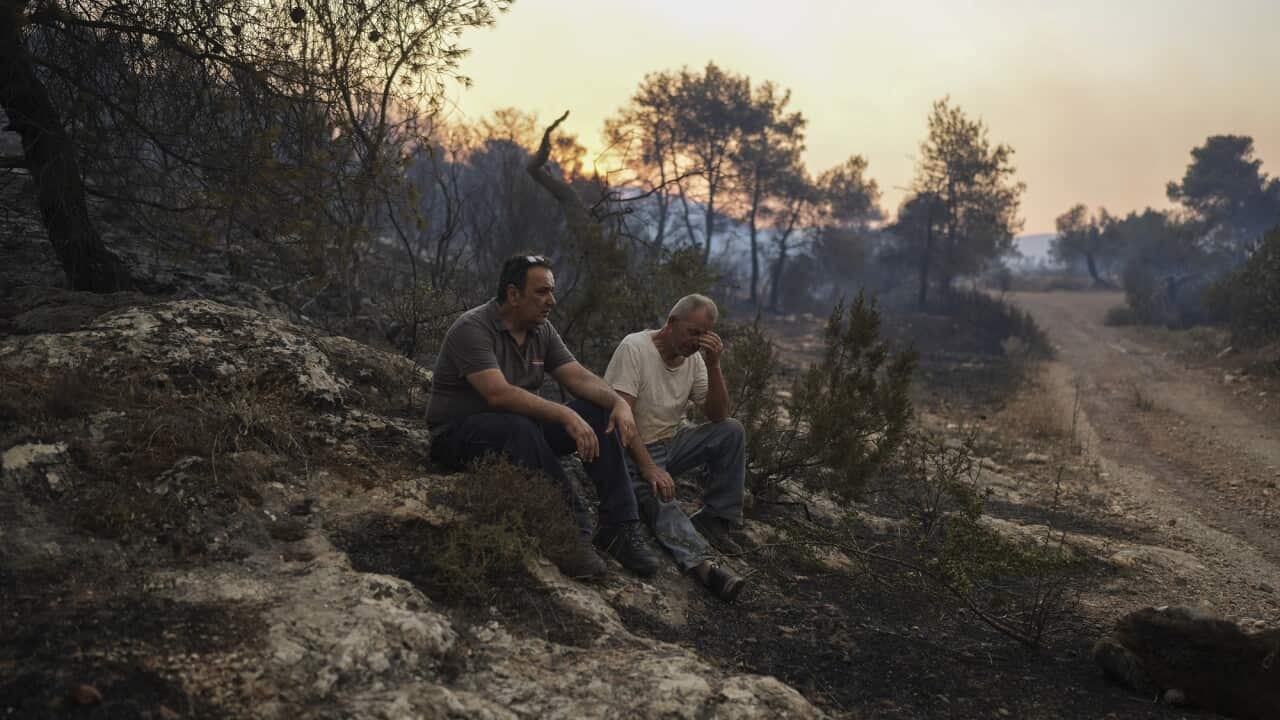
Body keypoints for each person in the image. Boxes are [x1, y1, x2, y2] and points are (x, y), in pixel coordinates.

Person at [426, 254, 660, 579]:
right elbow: (499, 394)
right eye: (542, 292)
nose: (551, 301)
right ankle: (570, 534)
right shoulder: (473, 328)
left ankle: (620, 527)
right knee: (518, 425)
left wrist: (617, 403)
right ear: (512, 294)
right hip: (456, 435)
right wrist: (564, 413)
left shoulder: (541, 330)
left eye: (552, 291)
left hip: (518, 434)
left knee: (594, 412)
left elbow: (578, 377)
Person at [602, 294, 747, 601]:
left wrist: (715, 364)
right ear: (671, 323)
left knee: (731, 431)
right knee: (661, 497)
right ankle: (706, 567)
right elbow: (621, 420)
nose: (697, 341)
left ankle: (715, 517)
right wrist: (649, 467)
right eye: (692, 332)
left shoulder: (694, 359)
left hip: (672, 442)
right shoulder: (635, 348)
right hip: (631, 447)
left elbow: (718, 415)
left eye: (704, 335)